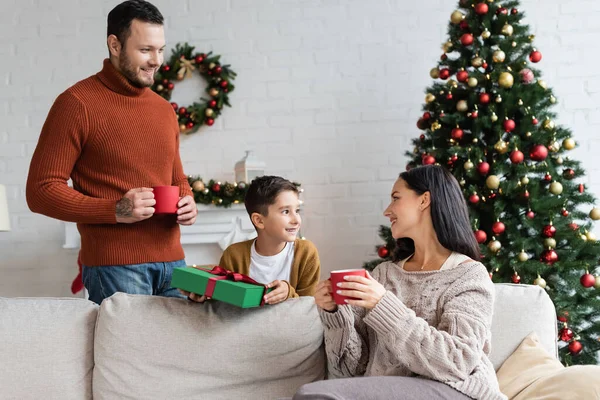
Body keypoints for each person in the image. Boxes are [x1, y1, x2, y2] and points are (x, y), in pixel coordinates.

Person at [26, 0, 197, 305]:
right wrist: (116, 210)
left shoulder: (163, 109)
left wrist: (187, 200)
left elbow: (176, 176)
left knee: (179, 354)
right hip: (116, 266)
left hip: (174, 265)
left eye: (160, 49)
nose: (156, 60)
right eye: (145, 50)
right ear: (115, 45)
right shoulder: (77, 103)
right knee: (129, 354)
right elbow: (40, 191)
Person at [295, 165, 505, 400]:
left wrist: (382, 305)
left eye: (396, 198)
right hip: (387, 392)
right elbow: (349, 372)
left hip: (455, 391)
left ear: (424, 200)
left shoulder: (468, 276)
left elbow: (457, 361)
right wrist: (334, 315)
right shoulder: (384, 274)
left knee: (314, 396)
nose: (387, 210)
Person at [182, 176, 320, 305]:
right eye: (285, 211)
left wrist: (288, 293)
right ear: (259, 220)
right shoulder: (234, 255)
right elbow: (224, 307)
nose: (296, 220)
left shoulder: (305, 252)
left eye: (297, 210)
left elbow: (309, 308)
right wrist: (201, 299)